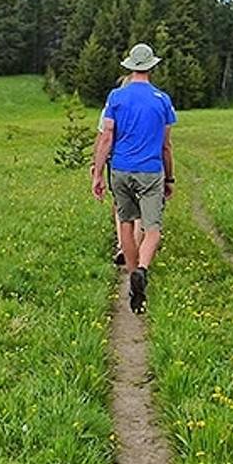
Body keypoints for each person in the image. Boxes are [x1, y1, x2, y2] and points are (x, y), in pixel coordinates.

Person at [92, 44, 176, 313]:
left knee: (126, 223)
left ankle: (132, 278)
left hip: (120, 169)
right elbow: (166, 145)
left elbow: (106, 137)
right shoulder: (162, 100)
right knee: (152, 229)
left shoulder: (116, 97)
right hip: (150, 171)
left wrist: (97, 173)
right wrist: (170, 178)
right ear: (151, 67)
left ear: (130, 67)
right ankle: (142, 268)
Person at [95, 74, 140, 266]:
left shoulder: (111, 106)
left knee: (121, 206)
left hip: (117, 162)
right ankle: (136, 249)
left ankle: (123, 246)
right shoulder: (147, 104)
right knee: (141, 210)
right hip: (144, 162)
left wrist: (96, 166)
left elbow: (103, 138)